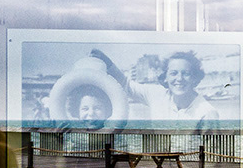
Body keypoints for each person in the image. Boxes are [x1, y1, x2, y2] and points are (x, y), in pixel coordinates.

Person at [91, 49, 219, 132]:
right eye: (173, 73)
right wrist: (108, 63)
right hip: (159, 165)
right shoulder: (156, 95)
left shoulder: (207, 112)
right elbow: (127, 85)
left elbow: (212, 156)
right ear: (165, 76)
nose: (179, 79)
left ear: (195, 78)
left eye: (186, 74)